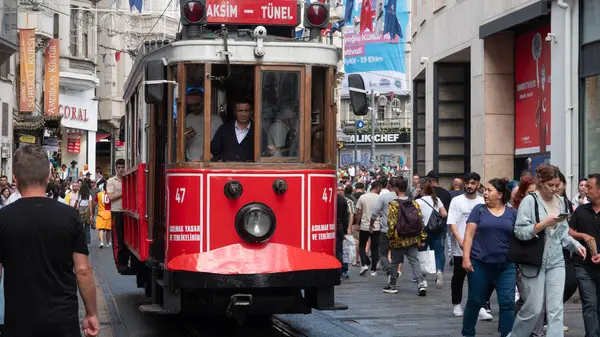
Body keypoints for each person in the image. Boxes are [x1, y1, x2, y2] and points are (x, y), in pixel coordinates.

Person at [0, 145, 99, 337]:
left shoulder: (3, 218)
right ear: (48, 177)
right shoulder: (70, 217)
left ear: (15, 179)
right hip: (62, 322)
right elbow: (82, 270)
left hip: (18, 322)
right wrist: (91, 313)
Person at [509, 165, 586, 337]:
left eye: (557, 185)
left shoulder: (560, 201)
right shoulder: (530, 201)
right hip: (534, 261)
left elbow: (563, 234)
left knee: (556, 310)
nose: (555, 188)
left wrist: (576, 245)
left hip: (557, 260)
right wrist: (543, 224)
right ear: (540, 183)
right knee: (533, 310)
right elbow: (520, 232)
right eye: (550, 185)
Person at [461, 178, 517, 337]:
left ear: (499, 195)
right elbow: (469, 235)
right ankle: (467, 333)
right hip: (480, 264)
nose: (485, 193)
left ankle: (507, 334)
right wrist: (466, 258)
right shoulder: (478, 210)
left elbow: (518, 237)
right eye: (485, 190)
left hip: (506, 266)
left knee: (507, 304)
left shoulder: (512, 213)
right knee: (475, 301)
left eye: (489, 190)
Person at [447, 172, 491, 320]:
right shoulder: (457, 201)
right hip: (460, 247)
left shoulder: (483, 202)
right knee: (459, 276)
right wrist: (460, 241)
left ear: (478, 184)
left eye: (473, 183)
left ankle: (480, 307)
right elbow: (452, 223)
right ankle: (457, 304)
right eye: (467, 183)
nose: (470, 186)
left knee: (480, 277)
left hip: (479, 247)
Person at [568, 173, 600, 337]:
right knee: (589, 303)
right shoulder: (581, 210)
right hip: (583, 265)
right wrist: (582, 236)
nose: (585, 190)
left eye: (589, 187)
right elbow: (569, 231)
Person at [416, 179, 448, 288]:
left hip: (423, 230)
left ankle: (423, 277)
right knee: (438, 252)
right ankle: (439, 271)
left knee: (422, 252)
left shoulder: (419, 202)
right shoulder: (437, 200)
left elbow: (416, 217)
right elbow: (444, 214)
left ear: (422, 189)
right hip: (436, 230)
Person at [107, 159, 134, 275]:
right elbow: (111, 197)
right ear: (115, 168)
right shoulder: (111, 181)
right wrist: (124, 191)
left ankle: (126, 262)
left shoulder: (129, 179)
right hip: (117, 212)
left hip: (128, 212)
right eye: (118, 167)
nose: (121, 169)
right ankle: (120, 265)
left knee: (128, 239)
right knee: (118, 239)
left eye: (122, 167)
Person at [185, 91, 223, 161]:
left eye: (196, 105)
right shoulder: (186, 119)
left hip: (212, 163)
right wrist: (185, 137)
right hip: (191, 162)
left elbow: (222, 143)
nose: (193, 108)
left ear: (203, 102)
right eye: (190, 106)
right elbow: (179, 145)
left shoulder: (217, 120)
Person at [95, 184, 112, 248]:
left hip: (100, 213)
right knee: (108, 230)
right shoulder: (111, 194)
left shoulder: (99, 194)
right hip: (109, 213)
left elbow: (95, 203)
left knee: (101, 229)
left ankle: (101, 242)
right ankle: (107, 243)